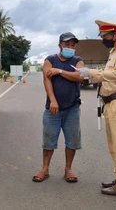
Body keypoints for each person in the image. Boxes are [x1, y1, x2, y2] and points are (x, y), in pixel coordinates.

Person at [78, 20, 116, 196]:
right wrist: (89, 75)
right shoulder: (114, 52)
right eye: (102, 36)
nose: (103, 39)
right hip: (111, 103)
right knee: (114, 147)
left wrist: (92, 73)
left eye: (105, 36)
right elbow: (105, 75)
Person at [32, 32, 85, 183]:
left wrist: (59, 71)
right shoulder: (50, 60)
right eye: (67, 44)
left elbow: (79, 77)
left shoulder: (78, 60)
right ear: (60, 45)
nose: (70, 47)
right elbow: (46, 80)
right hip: (52, 109)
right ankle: (45, 169)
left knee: (72, 141)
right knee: (49, 140)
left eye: (72, 45)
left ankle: (68, 169)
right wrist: (53, 100)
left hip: (72, 108)